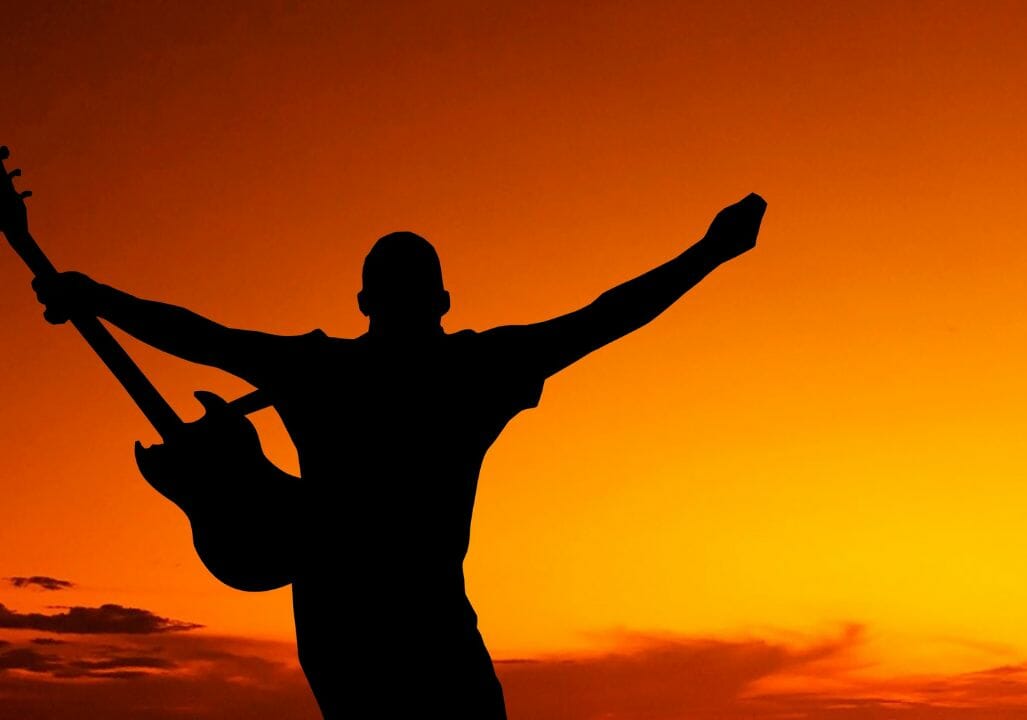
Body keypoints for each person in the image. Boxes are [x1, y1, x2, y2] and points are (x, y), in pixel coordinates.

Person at [32, 192, 767, 718]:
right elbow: (605, 318)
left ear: (362, 303)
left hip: (342, 638)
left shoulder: (319, 371)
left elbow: (201, 335)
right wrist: (709, 252)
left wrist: (95, 296)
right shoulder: (473, 371)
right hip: (435, 638)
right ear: (445, 301)